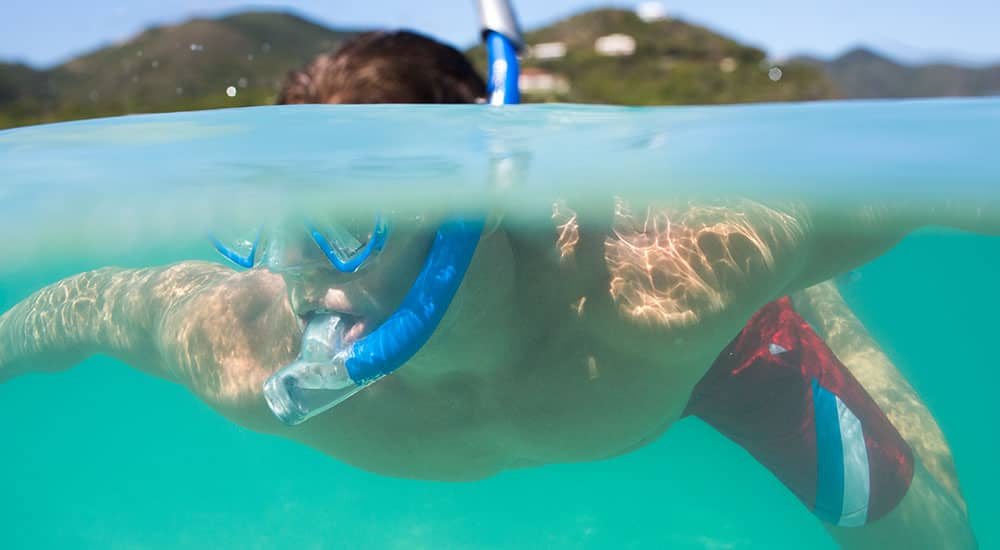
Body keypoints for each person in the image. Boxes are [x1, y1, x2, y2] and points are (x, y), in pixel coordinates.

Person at [0, 31, 988, 548]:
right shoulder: (245, 343)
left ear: (470, 205)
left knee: (922, 532)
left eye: (349, 225)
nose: (294, 274)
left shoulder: (669, 283)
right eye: (272, 227)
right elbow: (84, 307)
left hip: (718, 355)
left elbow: (950, 182)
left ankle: (817, 309)